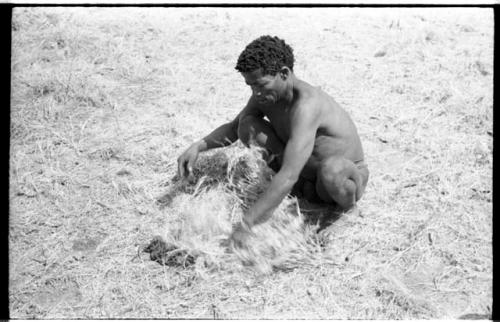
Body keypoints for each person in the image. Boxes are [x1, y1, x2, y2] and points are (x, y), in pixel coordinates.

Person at [177, 35, 369, 243]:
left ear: (284, 74)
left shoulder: (307, 106)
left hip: (338, 181)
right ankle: (292, 198)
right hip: (305, 180)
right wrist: (198, 146)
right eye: (250, 86)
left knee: (332, 169)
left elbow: (288, 174)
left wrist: (247, 224)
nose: (256, 93)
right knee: (247, 125)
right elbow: (233, 128)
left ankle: (346, 212)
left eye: (260, 85)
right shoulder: (268, 96)